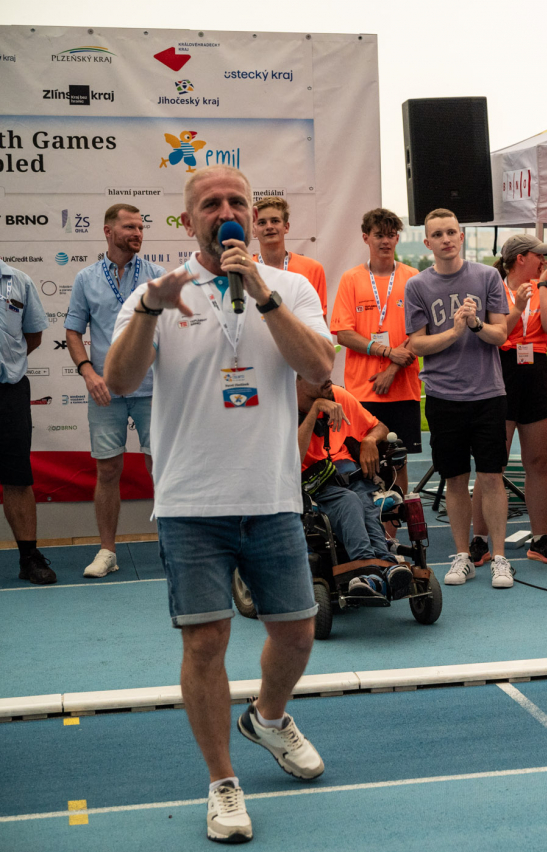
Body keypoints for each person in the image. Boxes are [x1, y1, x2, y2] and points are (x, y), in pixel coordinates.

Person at [105, 165, 333, 844]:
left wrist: (262, 292)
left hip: (270, 495)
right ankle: (222, 782)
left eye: (237, 200)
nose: (226, 210)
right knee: (206, 642)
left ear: (253, 214)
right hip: (191, 500)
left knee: (296, 633)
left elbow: (319, 367)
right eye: (211, 203)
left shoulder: (289, 286)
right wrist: (150, 310)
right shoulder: (156, 293)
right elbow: (119, 379)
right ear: (188, 221)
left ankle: (267, 718)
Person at [404, 209, 514, 589]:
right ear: (428, 242)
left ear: (461, 236)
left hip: (487, 393)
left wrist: (476, 324)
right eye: (438, 234)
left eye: (452, 231)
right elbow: (417, 344)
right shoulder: (417, 285)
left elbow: (501, 335)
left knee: (492, 476)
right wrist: (453, 332)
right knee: (454, 478)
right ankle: (463, 555)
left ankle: (500, 557)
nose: (446, 239)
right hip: (443, 395)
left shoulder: (487, 277)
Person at [65, 204, 167, 579]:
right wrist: (88, 373)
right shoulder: (86, 278)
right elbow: (73, 331)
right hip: (105, 390)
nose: (137, 233)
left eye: (140, 227)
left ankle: (173, 546)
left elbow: (171, 331)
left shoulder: (157, 277)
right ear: (108, 231)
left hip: (153, 388)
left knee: (162, 467)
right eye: (129, 227)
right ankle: (107, 550)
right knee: (108, 469)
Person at [472, 234, 547, 565]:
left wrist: (544, 287)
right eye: (539, 255)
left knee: (537, 462)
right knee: (492, 464)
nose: (545, 261)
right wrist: (518, 308)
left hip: (535, 371)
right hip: (500, 370)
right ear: (520, 258)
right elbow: (494, 336)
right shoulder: (492, 287)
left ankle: (540, 539)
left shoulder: (544, 287)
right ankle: (480, 539)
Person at [330, 209, 422, 500]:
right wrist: (385, 351)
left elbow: (420, 332)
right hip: (363, 390)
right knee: (365, 462)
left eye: (391, 235)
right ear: (365, 238)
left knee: (398, 461)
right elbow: (343, 333)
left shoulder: (413, 278)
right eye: (379, 235)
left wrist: (392, 369)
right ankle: (373, 524)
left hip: (403, 388)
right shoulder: (351, 278)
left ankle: (395, 525)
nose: (385, 241)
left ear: (397, 238)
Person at [296, 375, 414, 599]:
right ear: (298, 379)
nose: (327, 379)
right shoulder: (282, 407)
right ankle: (367, 569)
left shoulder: (337, 395)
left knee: (365, 503)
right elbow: (294, 458)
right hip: (312, 483)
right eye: (318, 373)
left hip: (348, 474)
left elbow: (379, 427)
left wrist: (370, 440)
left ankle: (385, 566)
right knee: (350, 501)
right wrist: (316, 409)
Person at [1, 259, 53, 585]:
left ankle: (29, 558)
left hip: (9, 391)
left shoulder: (18, 281)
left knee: (17, 476)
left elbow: (33, 336)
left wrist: (9, 363)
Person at [252, 196, 328, 318]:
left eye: (275, 221)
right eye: (262, 223)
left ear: (286, 227)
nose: (269, 226)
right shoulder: (246, 270)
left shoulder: (313, 269)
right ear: (254, 231)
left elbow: (320, 322)